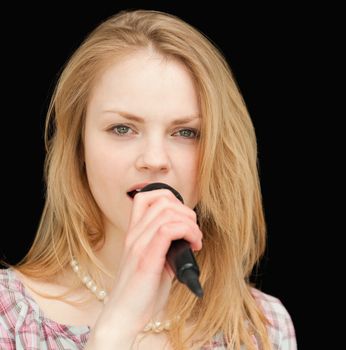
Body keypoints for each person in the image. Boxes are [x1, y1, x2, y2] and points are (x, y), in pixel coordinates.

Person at [0, 9, 296, 350]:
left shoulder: (263, 326)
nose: (155, 160)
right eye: (122, 129)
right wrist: (117, 327)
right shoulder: (12, 317)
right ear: (79, 146)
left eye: (185, 132)